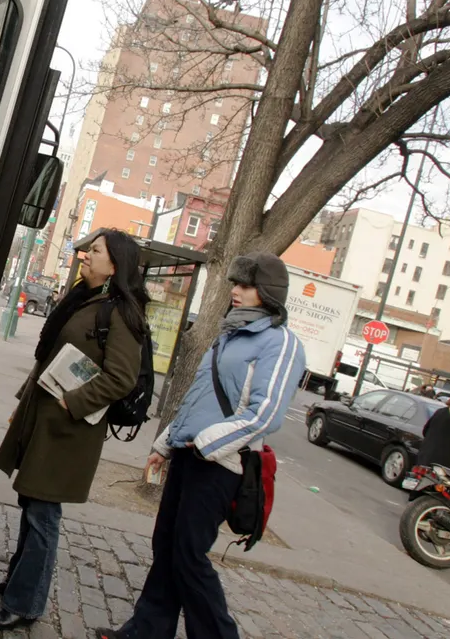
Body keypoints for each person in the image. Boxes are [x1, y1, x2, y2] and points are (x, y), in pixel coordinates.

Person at [98, 252, 306, 639]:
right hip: (190, 456)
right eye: (235, 284)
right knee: (167, 546)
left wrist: (206, 442)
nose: (235, 291)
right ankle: (145, 633)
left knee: (189, 557)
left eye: (245, 285)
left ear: (268, 293)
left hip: (221, 465)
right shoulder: (229, 333)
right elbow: (199, 396)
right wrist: (167, 442)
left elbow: (266, 414)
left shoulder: (281, 344)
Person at [0, 229, 150, 630]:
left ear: (115, 265)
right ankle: (16, 582)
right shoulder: (83, 298)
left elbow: (121, 378)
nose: (85, 255)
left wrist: (71, 403)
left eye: (95, 251)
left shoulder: (121, 313)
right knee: (31, 504)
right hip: (44, 419)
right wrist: (25, 405)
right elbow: (50, 356)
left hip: (69, 430)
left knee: (43, 513)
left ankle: (25, 603)